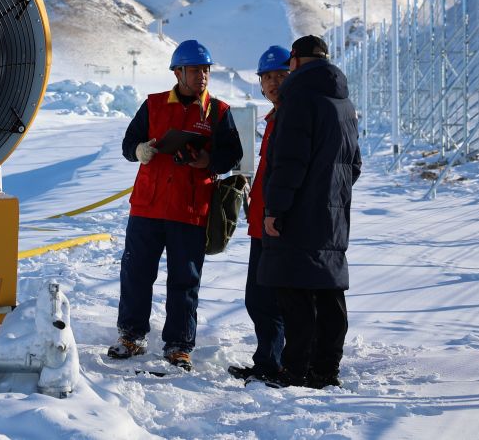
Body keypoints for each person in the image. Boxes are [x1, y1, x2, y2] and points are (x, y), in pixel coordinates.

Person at [108, 39, 243, 370]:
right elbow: (128, 144)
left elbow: (232, 155)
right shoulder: (153, 105)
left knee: (185, 279)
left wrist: (207, 160)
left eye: (207, 70)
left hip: (190, 209)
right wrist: (139, 151)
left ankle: (179, 345)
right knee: (137, 273)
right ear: (178, 72)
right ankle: (131, 336)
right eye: (196, 70)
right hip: (147, 207)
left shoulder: (219, 111)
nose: (203, 76)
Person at [258, 35, 361, 389]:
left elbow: (289, 163)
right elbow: (355, 165)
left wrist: (276, 209)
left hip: (299, 215)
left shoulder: (298, 100)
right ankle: (326, 370)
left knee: (295, 292)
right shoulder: (344, 103)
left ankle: (296, 370)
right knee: (330, 293)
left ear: (296, 61)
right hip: (334, 215)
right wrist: (331, 190)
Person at [227, 45, 289, 384]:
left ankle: (279, 364)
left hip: (279, 225)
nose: (275, 83)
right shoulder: (274, 119)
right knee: (259, 298)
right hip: (260, 224)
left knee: (273, 300)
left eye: (282, 76)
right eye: (269, 78)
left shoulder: (292, 118)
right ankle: (268, 361)